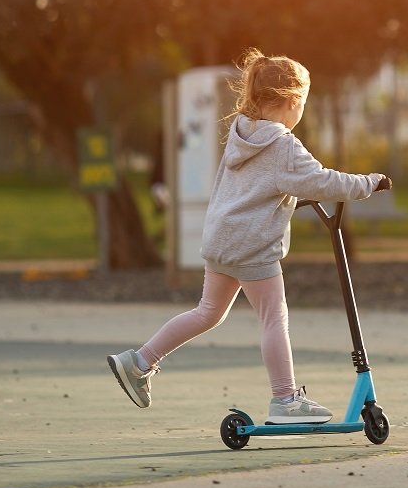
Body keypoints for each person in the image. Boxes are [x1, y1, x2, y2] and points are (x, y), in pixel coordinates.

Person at [108, 48, 389, 424]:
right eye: (302, 102)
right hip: (252, 245)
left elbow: (268, 182)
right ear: (291, 101)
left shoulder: (243, 131)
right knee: (274, 318)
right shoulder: (283, 143)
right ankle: (285, 399)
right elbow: (322, 181)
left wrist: (287, 193)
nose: (301, 111)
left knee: (208, 312)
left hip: (222, 239)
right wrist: (368, 183)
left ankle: (140, 361)